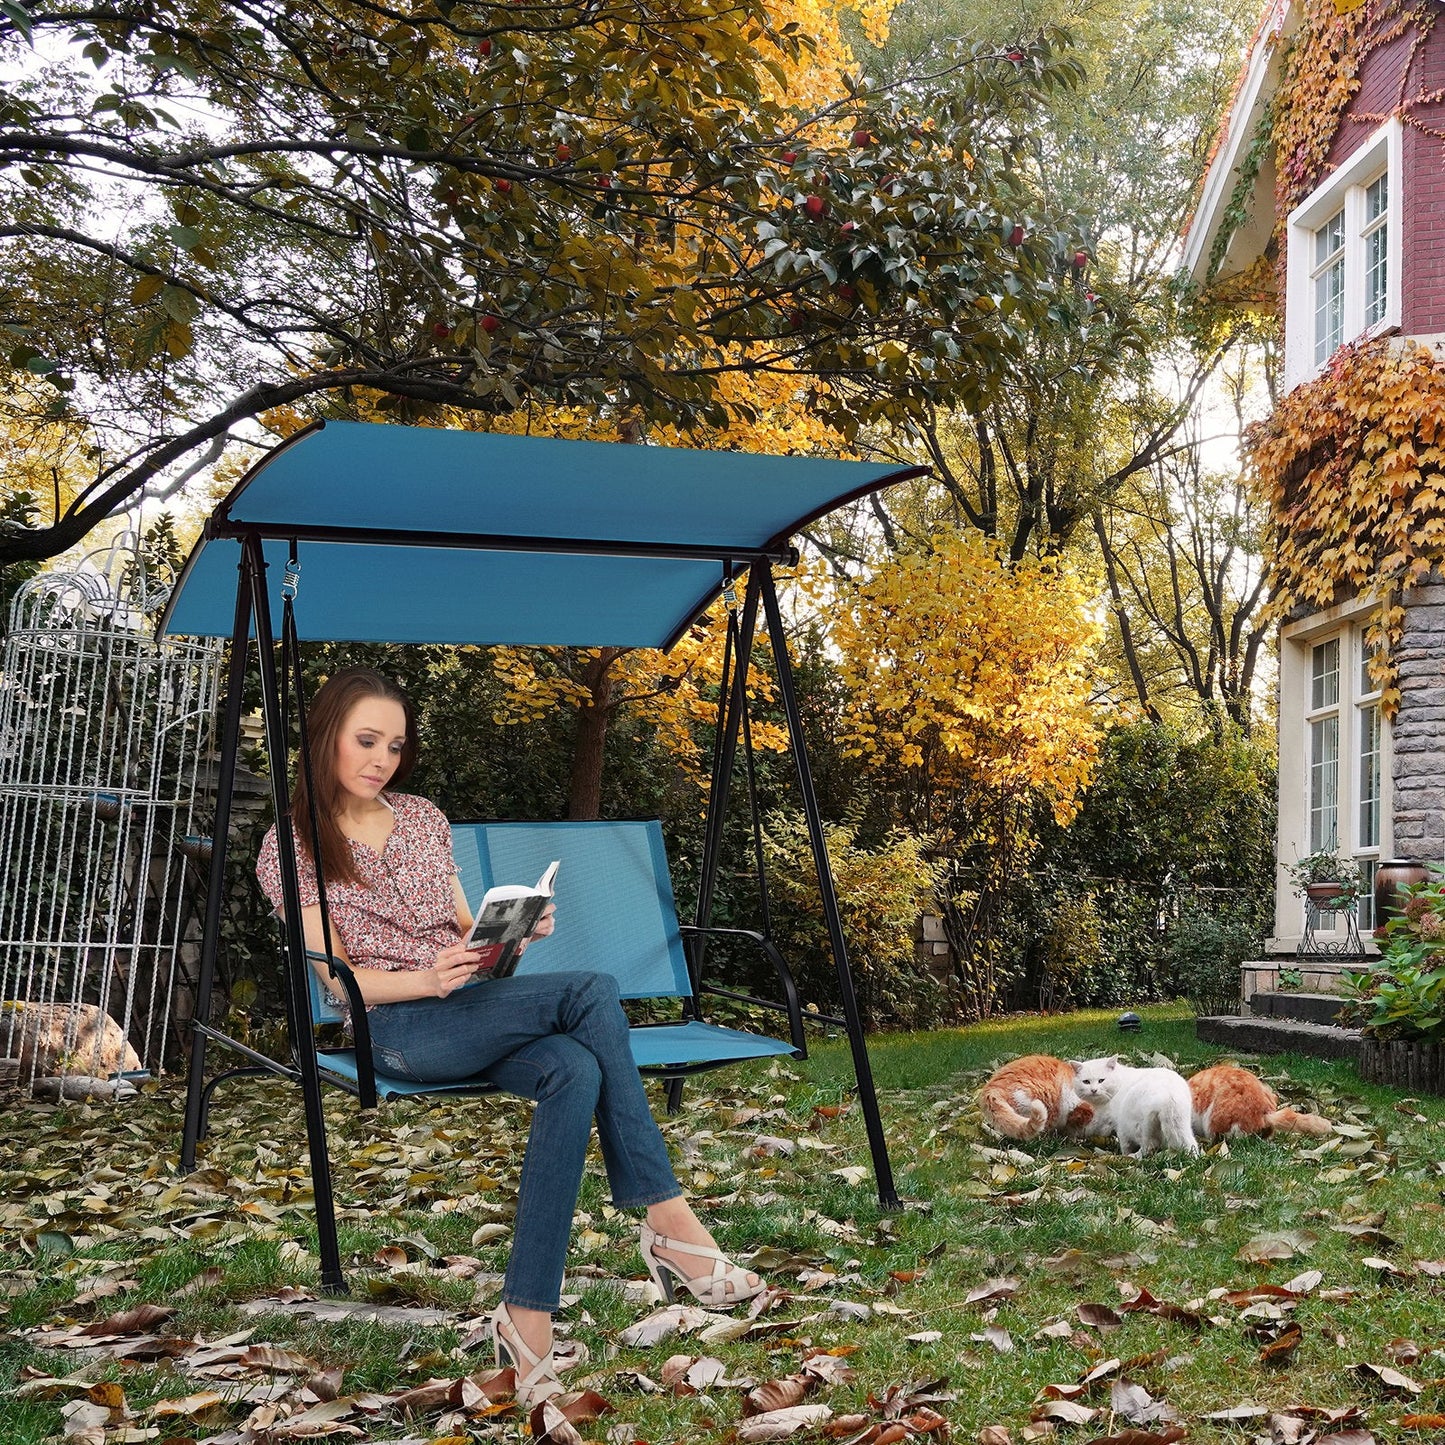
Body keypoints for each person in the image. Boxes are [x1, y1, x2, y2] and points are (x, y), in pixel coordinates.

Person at [257, 667, 764, 1406]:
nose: (381, 758)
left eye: (394, 745)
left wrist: (517, 932)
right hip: (396, 1025)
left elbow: (468, 931)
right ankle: (669, 1224)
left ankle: (524, 1320)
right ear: (325, 735)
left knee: (573, 1069)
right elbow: (339, 979)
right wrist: (428, 979)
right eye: (365, 740)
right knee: (589, 990)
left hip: (475, 1005)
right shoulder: (292, 842)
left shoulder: (424, 817)